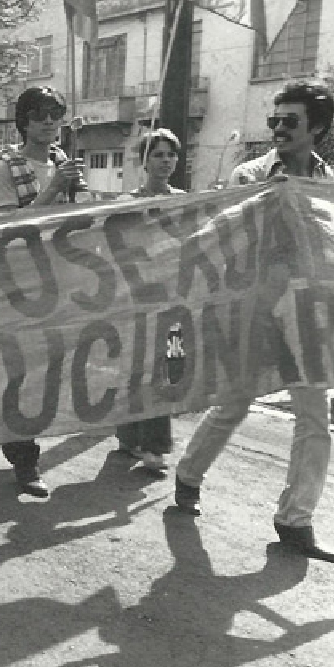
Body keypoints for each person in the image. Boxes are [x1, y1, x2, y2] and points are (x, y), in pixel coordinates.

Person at [173, 81, 334, 563]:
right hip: (254, 308)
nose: (279, 129)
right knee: (233, 404)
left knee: (317, 417)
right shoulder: (249, 174)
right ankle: (188, 475)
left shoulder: (331, 180)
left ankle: (296, 520)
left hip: (306, 311)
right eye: (274, 120)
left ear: (318, 127)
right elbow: (224, 230)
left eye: (291, 121)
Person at [0, 86, 86, 498]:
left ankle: (19, 436)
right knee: (23, 369)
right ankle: (25, 457)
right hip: (22, 280)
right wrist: (50, 192)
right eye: (41, 114)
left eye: (56, 114)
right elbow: (8, 228)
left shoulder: (64, 162)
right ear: (25, 121)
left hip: (60, 276)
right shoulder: (6, 169)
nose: (49, 122)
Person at [111, 129, 186, 475]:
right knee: (135, 368)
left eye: (170, 155)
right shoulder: (129, 204)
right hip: (136, 299)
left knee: (167, 369)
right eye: (157, 154)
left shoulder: (185, 202)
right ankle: (129, 436)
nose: (166, 161)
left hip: (173, 300)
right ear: (144, 160)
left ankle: (156, 448)